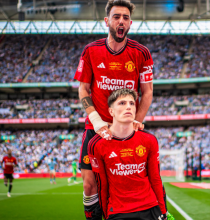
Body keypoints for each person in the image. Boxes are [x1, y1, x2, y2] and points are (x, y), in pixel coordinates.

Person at [74, 0, 155, 219]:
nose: (121, 21)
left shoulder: (142, 53)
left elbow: (147, 93)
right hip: (95, 128)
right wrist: (97, 120)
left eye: (126, 18)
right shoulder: (91, 51)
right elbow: (83, 89)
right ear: (107, 20)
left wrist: (136, 121)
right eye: (117, 16)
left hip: (126, 132)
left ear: (130, 23)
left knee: (121, 188)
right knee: (90, 186)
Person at [88, 89, 167, 220]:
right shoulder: (96, 144)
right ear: (111, 111)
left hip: (150, 208)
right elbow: (102, 185)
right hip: (118, 211)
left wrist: (163, 212)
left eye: (132, 103)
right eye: (122, 103)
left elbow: (156, 179)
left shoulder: (149, 139)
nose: (128, 107)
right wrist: (106, 215)